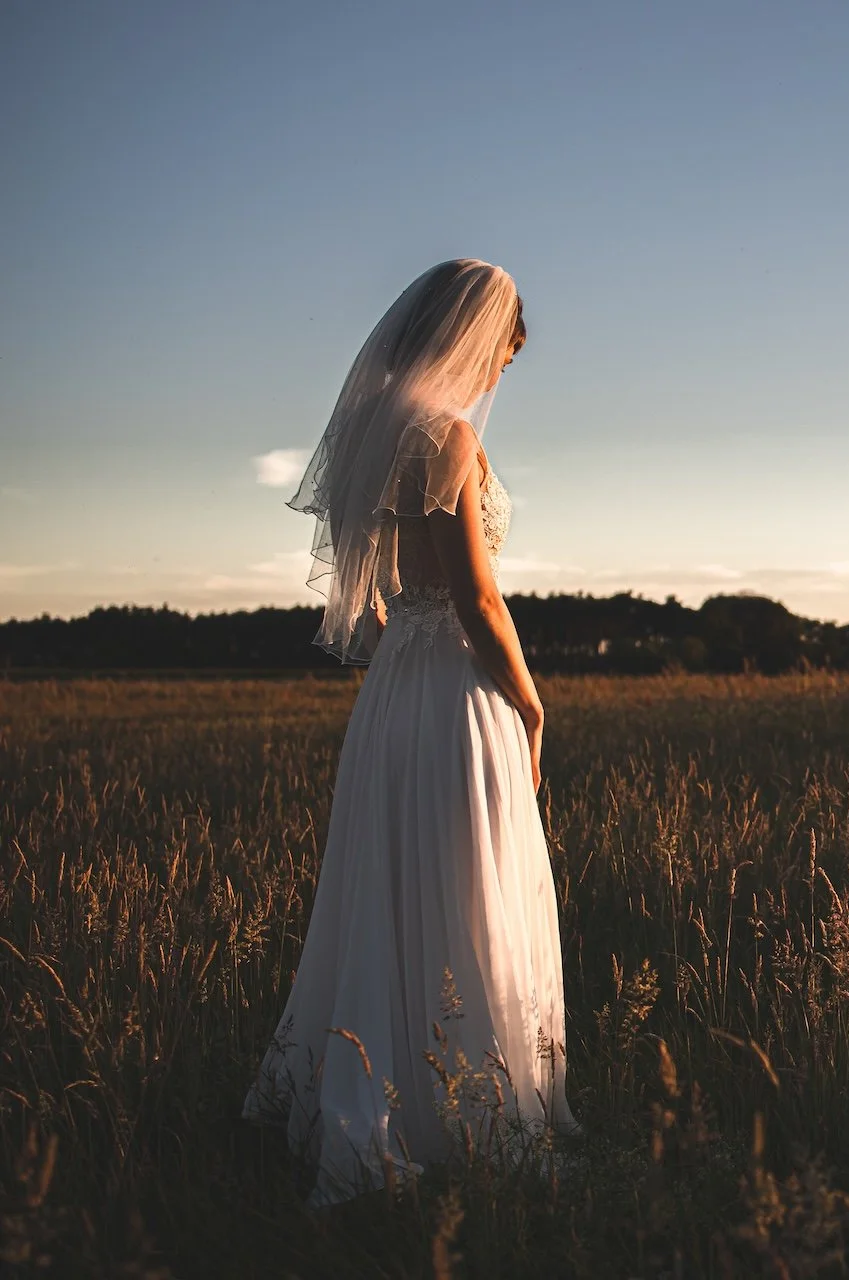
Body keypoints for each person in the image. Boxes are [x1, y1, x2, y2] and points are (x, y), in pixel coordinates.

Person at [243, 259, 575, 1205]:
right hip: (455, 691)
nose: (495, 376)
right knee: (468, 885)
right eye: (500, 356)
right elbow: (476, 595)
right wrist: (530, 699)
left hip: (394, 690)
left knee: (387, 889)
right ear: (474, 341)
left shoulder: (377, 435)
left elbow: (382, 594)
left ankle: (372, 1094)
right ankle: (466, 1116)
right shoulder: (451, 438)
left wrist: (405, 652)